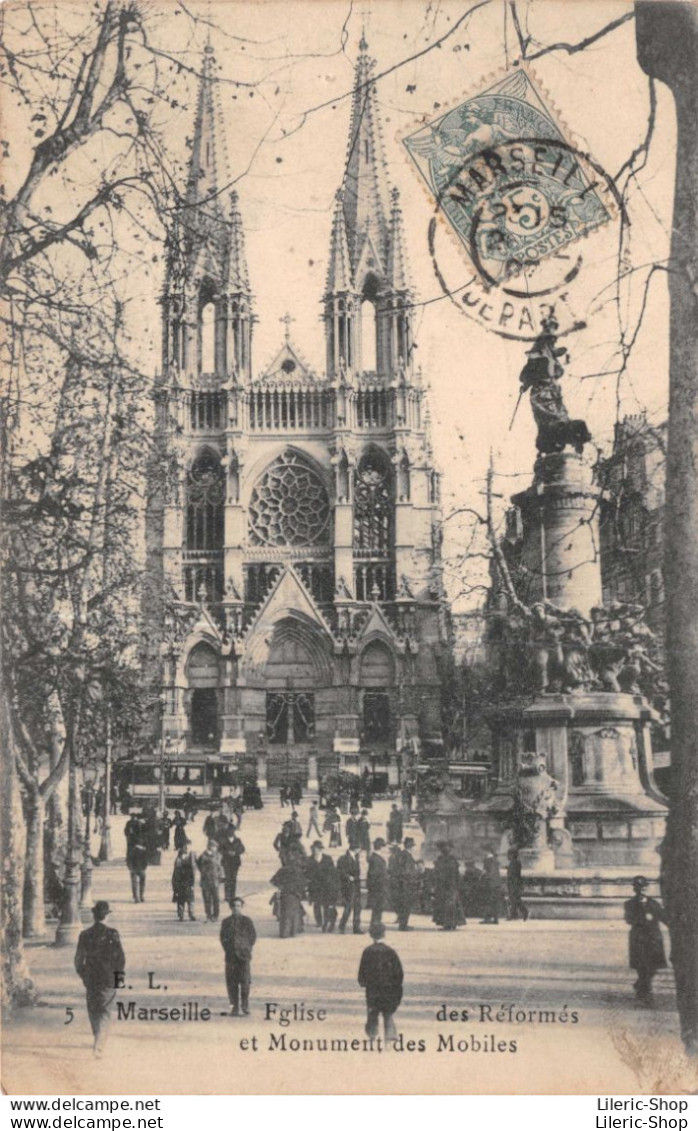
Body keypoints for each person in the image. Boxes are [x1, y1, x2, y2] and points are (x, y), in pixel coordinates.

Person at [74, 901, 125, 1058]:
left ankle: (97, 1036)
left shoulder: (85, 935)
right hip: (109, 978)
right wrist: (119, 977)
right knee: (105, 1011)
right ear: (107, 916)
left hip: (91, 978)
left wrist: (84, 975)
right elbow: (120, 959)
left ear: (94, 915)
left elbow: (78, 960)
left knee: (93, 1009)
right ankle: (99, 1044)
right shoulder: (113, 934)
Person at [624, 876, 667, 1004]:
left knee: (654, 966)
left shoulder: (653, 903)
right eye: (639, 887)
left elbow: (663, 917)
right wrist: (644, 918)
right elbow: (628, 919)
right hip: (639, 939)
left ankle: (640, 985)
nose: (642, 889)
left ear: (647, 888)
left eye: (644, 887)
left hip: (653, 938)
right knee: (642, 966)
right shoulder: (629, 904)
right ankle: (646, 993)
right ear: (634, 889)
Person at [357, 923, 403, 1042]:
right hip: (388, 988)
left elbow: (362, 969)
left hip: (372, 988)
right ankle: (390, 1034)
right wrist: (397, 985)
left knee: (372, 1011)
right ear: (384, 934)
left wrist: (362, 981)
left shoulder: (367, 951)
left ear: (371, 935)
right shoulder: (391, 951)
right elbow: (398, 971)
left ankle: (372, 1033)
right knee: (387, 1012)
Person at [220, 897, 257, 1016]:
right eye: (234, 906)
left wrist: (246, 948)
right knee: (232, 984)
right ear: (231, 908)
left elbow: (253, 936)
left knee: (245, 983)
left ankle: (245, 1006)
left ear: (242, 907)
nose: (236, 908)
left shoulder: (247, 921)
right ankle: (234, 1007)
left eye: (238, 906)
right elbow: (223, 938)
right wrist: (228, 949)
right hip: (230, 957)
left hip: (244, 956)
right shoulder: (226, 922)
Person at [306, 841, 340, 932]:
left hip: (325, 885)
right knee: (316, 904)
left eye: (315, 849)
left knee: (325, 904)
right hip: (314, 886)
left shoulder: (327, 858)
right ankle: (319, 921)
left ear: (320, 849)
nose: (313, 850)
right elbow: (307, 872)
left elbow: (333, 871)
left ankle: (326, 920)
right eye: (313, 849)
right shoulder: (309, 859)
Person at [432, 841, 465, 930]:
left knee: (448, 904)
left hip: (446, 885)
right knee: (449, 904)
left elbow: (438, 873)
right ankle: (451, 923)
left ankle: (448, 924)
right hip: (449, 885)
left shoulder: (445, 860)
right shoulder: (450, 859)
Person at [270, 859, 307, 938]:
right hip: (295, 895)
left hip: (285, 895)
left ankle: (284, 933)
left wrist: (281, 887)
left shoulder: (283, 870)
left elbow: (273, 881)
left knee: (285, 915)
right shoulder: (299, 871)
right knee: (294, 914)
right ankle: (293, 931)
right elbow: (303, 884)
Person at [392, 837, 419, 931]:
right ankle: (403, 925)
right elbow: (407, 871)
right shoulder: (406, 855)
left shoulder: (401, 854)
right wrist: (414, 875)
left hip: (402, 883)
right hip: (406, 884)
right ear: (410, 846)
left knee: (404, 904)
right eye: (412, 845)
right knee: (406, 904)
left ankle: (403, 924)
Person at [337, 846, 363, 934]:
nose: (360, 850)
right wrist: (348, 877)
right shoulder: (343, 858)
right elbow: (340, 871)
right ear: (355, 848)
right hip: (348, 886)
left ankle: (356, 927)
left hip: (356, 885)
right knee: (348, 907)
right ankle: (342, 926)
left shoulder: (356, 858)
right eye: (359, 848)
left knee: (357, 907)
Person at [197, 839, 223, 922]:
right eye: (213, 846)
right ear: (209, 846)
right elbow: (199, 865)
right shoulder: (203, 856)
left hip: (215, 881)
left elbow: (220, 867)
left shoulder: (218, 856)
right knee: (207, 899)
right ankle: (208, 915)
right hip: (206, 881)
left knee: (216, 899)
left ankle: (215, 915)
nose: (214, 848)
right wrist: (204, 872)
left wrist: (221, 876)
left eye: (215, 847)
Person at [367, 838, 390, 929]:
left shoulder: (375, 858)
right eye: (384, 846)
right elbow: (374, 875)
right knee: (378, 907)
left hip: (378, 887)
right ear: (381, 847)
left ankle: (375, 924)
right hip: (378, 887)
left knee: (378, 908)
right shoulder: (376, 859)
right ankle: (375, 925)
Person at [171, 842, 197, 921]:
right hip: (181, 882)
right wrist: (175, 884)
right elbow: (175, 873)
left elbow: (192, 872)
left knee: (189, 900)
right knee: (181, 900)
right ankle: (181, 915)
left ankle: (190, 914)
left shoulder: (189, 858)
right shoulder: (178, 860)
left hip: (187, 882)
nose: (185, 850)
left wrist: (192, 883)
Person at [219, 827, 245, 903]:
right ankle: (227, 896)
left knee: (233, 879)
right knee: (227, 878)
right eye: (229, 831)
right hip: (226, 862)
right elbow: (220, 850)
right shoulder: (223, 841)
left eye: (232, 831)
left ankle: (232, 896)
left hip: (235, 862)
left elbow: (242, 849)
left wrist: (236, 852)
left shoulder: (238, 840)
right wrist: (227, 852)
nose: (231, 833)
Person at [127, 821, 149, 903]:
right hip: (140, 864)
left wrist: (129, 865)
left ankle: (137, 897)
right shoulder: (144, 838)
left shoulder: (132, 839)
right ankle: (140, 896)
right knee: (141, 881)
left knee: (135, 882)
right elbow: (147, 853)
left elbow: (129, 853)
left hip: (135, 864)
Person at [481, 846, 503, 925]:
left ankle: (487, 918)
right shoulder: (495, 860)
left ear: (487, 851)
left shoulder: (487, 860)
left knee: (488, 900)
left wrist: (482, 877)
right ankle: (496, 918)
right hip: (497, 883)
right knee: (495, 901)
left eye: (483, 851)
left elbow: (485, 872)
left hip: (489, 883)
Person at [506, 848, 529, 921]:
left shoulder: (514, 863)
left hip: (514, 883)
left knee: (514, 899)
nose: (507, 856)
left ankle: (519, 913)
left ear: (512, 855)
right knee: (515, 899)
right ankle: (517, 914)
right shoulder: (515, 862)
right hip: (514, 883)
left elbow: (513, 874)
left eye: (508, 855)